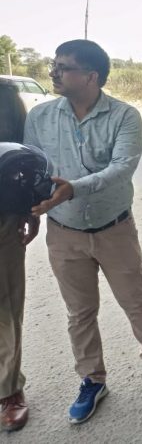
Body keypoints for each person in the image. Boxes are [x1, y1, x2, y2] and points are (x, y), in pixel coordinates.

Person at [24, 39, 142, 425]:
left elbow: (122, 167)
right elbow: (34, 170)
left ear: (91, 76)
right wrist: (34, 210)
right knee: (80, 311)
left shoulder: (123, 116)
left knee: (134, 298)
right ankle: (92, 379)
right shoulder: (40, 118)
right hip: (63, 230)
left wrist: (74, 187)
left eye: (63, 67)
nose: (54, 72)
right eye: (54, 65)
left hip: (114, 228)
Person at [0, 80, 41, 432]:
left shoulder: (6, 97)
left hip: (3, 221)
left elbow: (26, 168)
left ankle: (9, 389)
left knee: (5, 310)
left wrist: (31, 211)